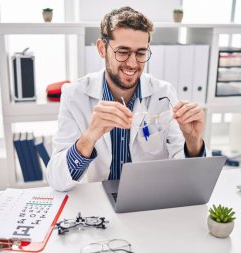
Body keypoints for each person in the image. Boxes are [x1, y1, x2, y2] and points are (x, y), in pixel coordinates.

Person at [47, 6, 206, 191]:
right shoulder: (74, 94)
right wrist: (89, 136)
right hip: (97, 203)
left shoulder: (163, 93)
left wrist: (193, 142)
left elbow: (184, 174)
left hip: (147, 199)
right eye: (122, 52)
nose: (132, 63)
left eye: (140, 53)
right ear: (101, 48)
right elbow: (57, 181)